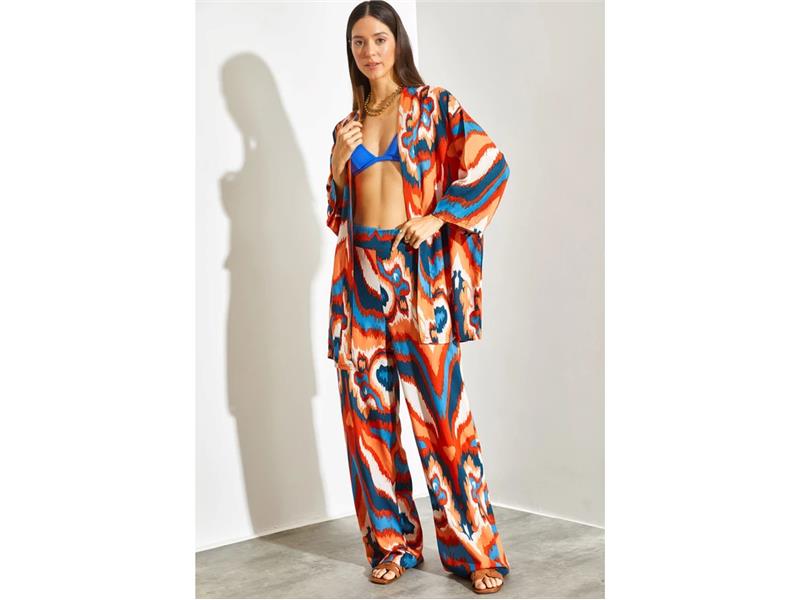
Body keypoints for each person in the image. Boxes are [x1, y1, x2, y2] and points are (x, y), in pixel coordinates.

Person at [324, 1, 511, 594]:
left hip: (417, 279)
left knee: (443, 418)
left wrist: (438, 217)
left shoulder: (434, 105)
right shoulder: (348, 126)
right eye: (359, 42)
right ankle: (392, 544)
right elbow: (337, 214)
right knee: (367, 422)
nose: (370, 52)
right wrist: (337, 163)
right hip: (360, 283)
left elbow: (491, 166)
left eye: (379, 39)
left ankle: (475, 552)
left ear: (397, 42)